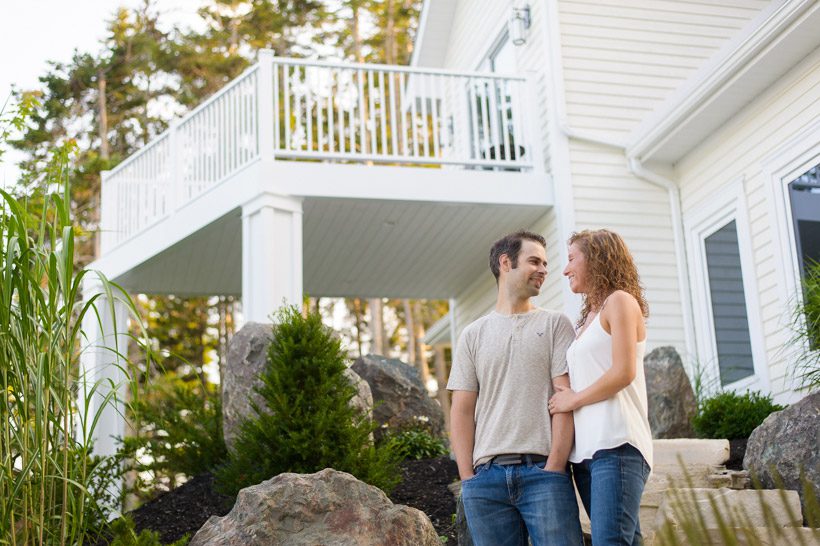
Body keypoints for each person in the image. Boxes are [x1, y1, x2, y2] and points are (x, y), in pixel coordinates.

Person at [447, 230, 583, 546]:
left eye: (546, 263)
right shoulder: (473, 334)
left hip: (543, 474)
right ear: (506, 263)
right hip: (485, 482)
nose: (544, 270)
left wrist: (555, 467)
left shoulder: (555, 324)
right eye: (534, 261)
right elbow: (462, 410)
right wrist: (468, 477)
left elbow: (564, 399)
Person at [548, 229, 653, 546]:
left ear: (597, 258)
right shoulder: (584, 322)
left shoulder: (620, 302)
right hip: (585, 455)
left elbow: (623, 371)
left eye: (570, 259)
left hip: (617, 444)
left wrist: (573, 400)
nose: (565, 270)